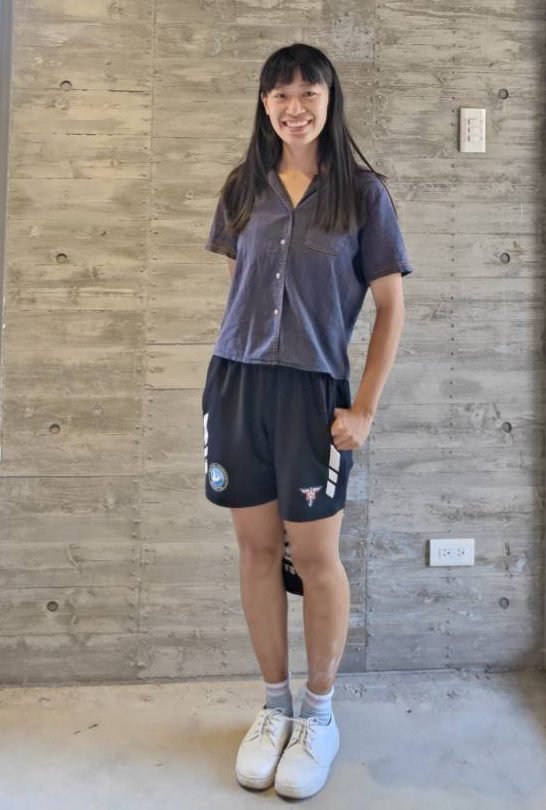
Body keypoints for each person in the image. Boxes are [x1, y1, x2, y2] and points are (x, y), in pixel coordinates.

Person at [202, 43, 413, 799]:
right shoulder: (242, 188)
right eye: (280, 94)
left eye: (307, 92)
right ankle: (274, 708)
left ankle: (319, 714)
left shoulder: (363, 195)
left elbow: (390, 307)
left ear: (329, 99)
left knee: (316, 559)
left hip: (312, 397)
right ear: (264, 104)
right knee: (257, 552)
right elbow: (240, 291)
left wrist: (365, 408)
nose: (294, 107)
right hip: (238, 386)